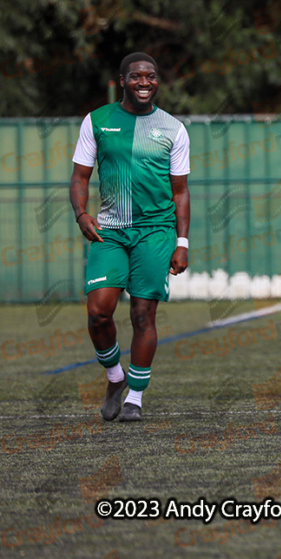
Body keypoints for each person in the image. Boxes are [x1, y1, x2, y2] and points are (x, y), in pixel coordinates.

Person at [70, 52, 191, 422]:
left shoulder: (174, 129)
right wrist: (81, 214)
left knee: (142, 314)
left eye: (151, 76)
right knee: (97, 313)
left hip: (155, 232)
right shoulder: (98, 121)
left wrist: (181, 243)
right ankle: (115, 377)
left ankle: (135, 398)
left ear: (157, 82)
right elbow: (80, 178)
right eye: (136, 76)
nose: (144, 82)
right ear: (122, 80)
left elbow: (181, 192)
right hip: (109, 230)